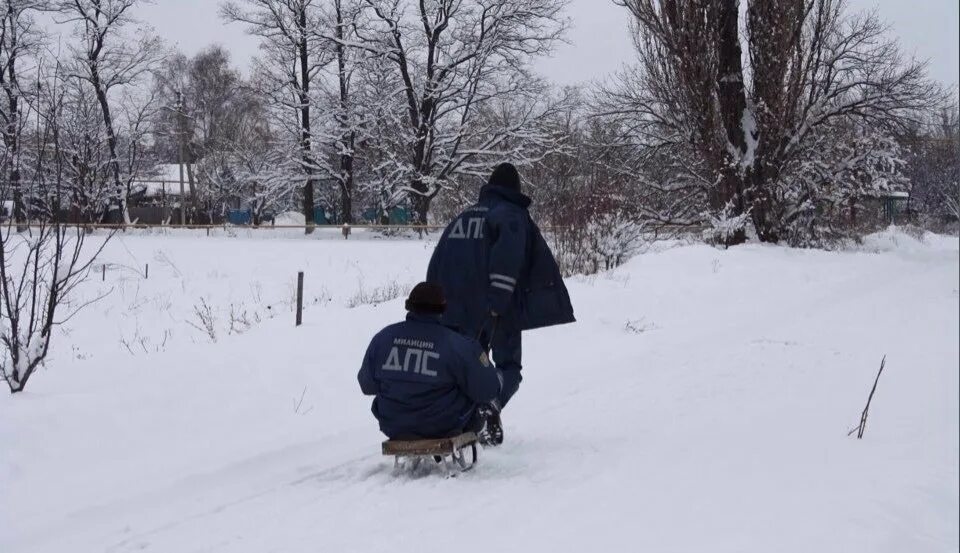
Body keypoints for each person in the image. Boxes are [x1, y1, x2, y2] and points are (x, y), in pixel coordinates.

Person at [426, 162, 575, 444]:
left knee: (464, 366)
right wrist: (499, 302)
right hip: (495, 309)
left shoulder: (462, 217)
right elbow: (508, 259)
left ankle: (461, 420)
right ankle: (490, 403)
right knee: (509, 367)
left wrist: (436, 308)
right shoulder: (511, 215)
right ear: (514, 190)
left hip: (454, 311)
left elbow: (438, 263)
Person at [358, 282, 503, 442]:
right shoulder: (458, 345)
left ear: (410, 306)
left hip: (393, 425)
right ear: (442, 308)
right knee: (476, 392)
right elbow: (487, 390)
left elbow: (367, 385)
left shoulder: (382, 339)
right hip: (443, 426)